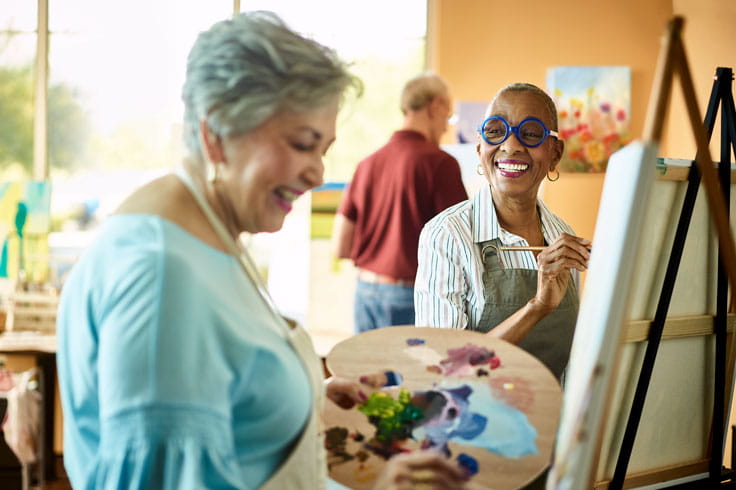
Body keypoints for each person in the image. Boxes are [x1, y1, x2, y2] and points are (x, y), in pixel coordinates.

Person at [56, 12, 471, 490]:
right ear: (216, 134)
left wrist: (300, 393)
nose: (318, 173)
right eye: (302, 144)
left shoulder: (209, 232)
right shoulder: (161, 276)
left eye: (325, 150)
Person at [414, 83, 591, 381]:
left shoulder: (563, 235)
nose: (511, 146)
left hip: (553, 421)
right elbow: (443, 369)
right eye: (495, 131)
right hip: (475, 420)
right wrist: (537, 308)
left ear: (555, 153)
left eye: (531, 133)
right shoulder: (448, 235)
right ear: (481, 148)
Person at [332, 72, 468, 334]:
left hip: (365, 292)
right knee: (414, 376)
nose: (446, 127)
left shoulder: (367, 164)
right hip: (410, 296)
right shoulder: (440, 164)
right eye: (447, 116)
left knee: (368, 375)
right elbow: (460, 245)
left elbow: (340, 245)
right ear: (435, 105)